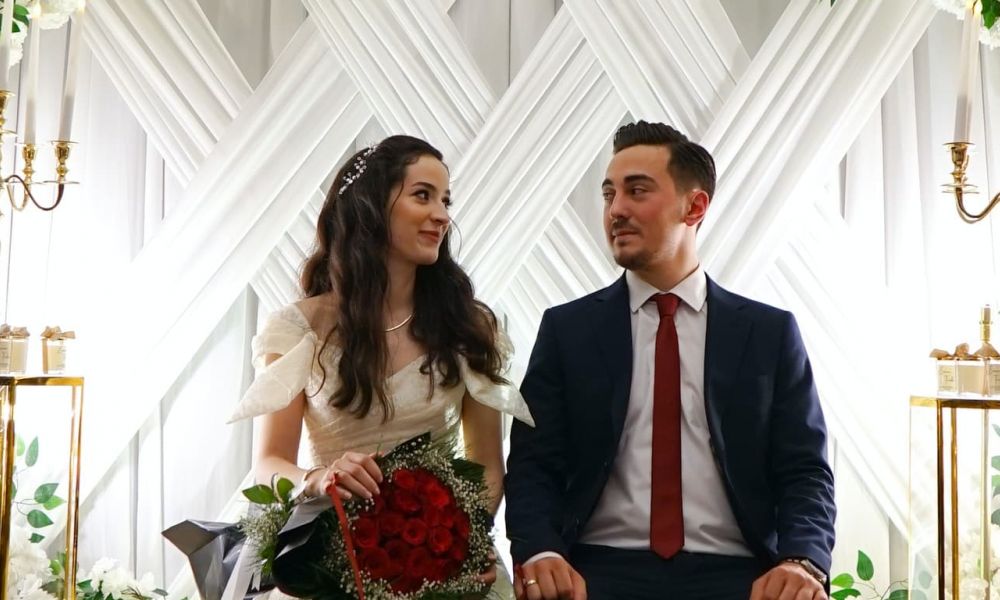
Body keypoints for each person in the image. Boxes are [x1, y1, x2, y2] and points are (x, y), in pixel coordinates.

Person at [505, 121, 836, 600]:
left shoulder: (768, 334)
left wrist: (801, 561)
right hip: (596, 572)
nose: (616, 209)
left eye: (637, 190)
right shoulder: (567, 330)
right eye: (609, 194)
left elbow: (805, 471)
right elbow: (533, 464)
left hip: (738, 575)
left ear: (694, 206)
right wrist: (541, 551)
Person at [228, 134, 534, 598]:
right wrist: (318, 479)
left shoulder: (470, 327)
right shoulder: (298, 329)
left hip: (442, 566)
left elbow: (487, 464)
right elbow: (269, 464)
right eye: (422, 195)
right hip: (331, 564)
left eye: (446, 200)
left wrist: (462, 543)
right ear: (370, 207)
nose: (442, 215)